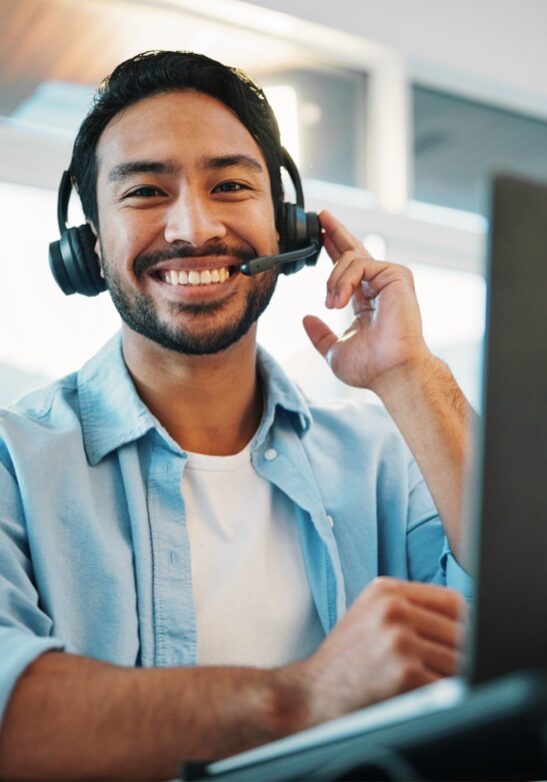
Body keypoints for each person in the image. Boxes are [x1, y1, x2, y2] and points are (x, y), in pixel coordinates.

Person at [0, 51, 473, 780]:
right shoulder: (13, 463)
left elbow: (518, 615)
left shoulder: (385, 456)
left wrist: (411, 375)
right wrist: (299, 696)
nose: (193, 228)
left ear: (287, 224)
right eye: (146, 192)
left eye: (229, 184)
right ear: (88, 243)